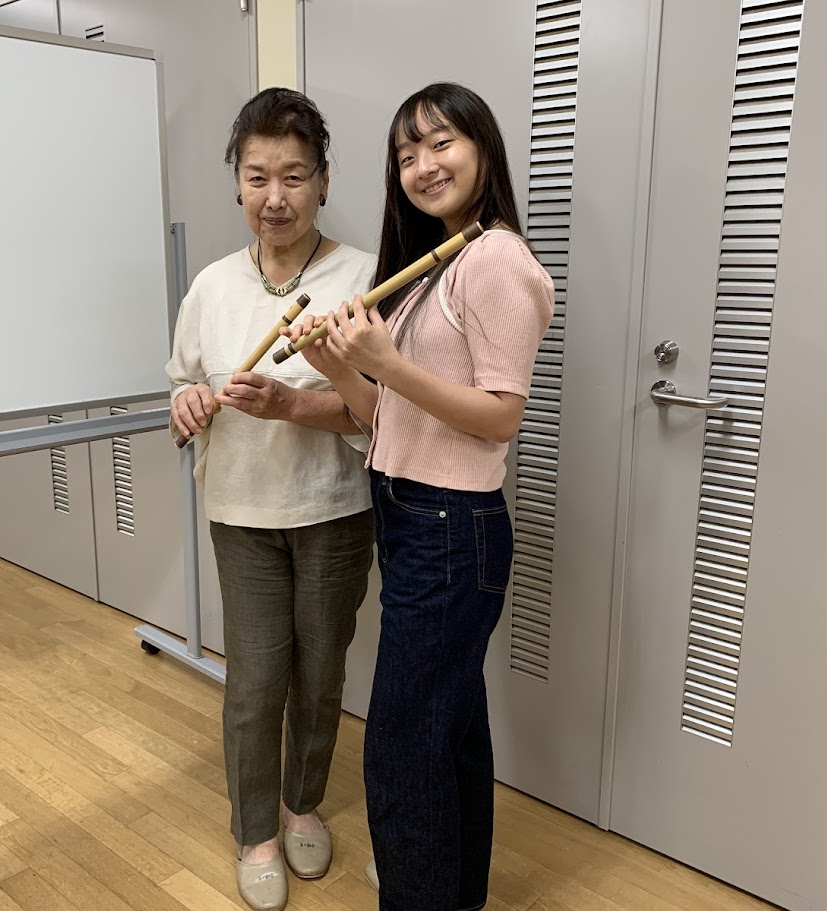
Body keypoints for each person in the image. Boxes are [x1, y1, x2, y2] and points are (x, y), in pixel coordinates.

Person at [285, 82, 554, 911]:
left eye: (441, 143)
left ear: (481, 148)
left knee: (402, 747)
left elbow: (499, 417)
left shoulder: (495, 258)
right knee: (448, 728)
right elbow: (391, 420)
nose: (423, 166)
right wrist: (339, 367)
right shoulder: (439, 264)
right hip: (415, 517)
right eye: (406, 155)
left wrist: (388, 362)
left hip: (447, 527)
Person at [165, 87, 375, 911]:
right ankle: (255, 831)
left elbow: (380, 411)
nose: (275, 196)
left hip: (334, 509)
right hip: (242, 513)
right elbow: (181, 384)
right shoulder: (212, 285)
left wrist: (291, 404)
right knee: (254, 681)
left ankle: (301, 805)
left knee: (319, 674)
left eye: (293, 175)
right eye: (257, 177)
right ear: (237, 185)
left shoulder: (362, 276)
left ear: (322, 181)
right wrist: (185, 402)